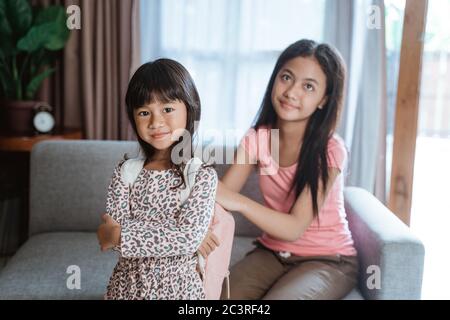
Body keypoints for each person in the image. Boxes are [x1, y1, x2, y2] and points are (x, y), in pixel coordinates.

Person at [215, 39, 358, 300]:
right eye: (286, 77)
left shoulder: (331, 149)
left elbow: (294, 228)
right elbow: (220, 197)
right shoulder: (257, 138)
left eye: (308, 86)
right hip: (272, 253)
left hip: (328, 259)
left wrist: (239, 202)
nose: (292, 92)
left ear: (324, 100)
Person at [97, 58, 218, 300]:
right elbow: (113, 238)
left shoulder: (202, 175)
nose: (156, 122)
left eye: (167, 109)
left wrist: (122, 234)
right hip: (126, 289)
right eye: (144, 112)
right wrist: (170, 234)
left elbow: (187, 239)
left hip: (180, 293)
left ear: (190, 108)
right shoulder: (126, 172)